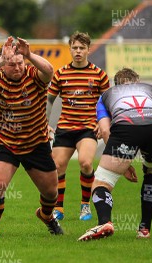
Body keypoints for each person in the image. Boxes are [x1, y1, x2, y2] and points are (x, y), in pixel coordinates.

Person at [0, 36, 63, 237]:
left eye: (20, 63)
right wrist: (0, 59)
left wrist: (30, 54)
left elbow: (49, 70)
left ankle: (46, 216)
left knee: (51, 193)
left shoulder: (33, 75)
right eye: (11, 64)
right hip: (7, 144)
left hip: (36, 143)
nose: (17, 68)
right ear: (4, 67)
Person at [78, 68, 152, 241]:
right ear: (137, 81)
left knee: (101, 182)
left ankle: (104, 222)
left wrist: (123, 164)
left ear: (116, 84)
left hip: (126, 127)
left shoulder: (106, 95)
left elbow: (106, 131)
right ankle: (144, 230)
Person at [46, 31, 110, 221]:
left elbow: (108, 102)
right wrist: (45, 124)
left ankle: (85, 205)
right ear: (70, 49)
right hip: (65, 127)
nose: (78, 51)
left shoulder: (99, 74)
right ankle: (59, 208)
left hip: (88, 128)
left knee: (86, 163)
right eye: (75, 48)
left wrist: (102, 122)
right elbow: (49, 101)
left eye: (82, 48)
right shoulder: (61, 73)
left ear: (88, 50)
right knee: (57, 167)